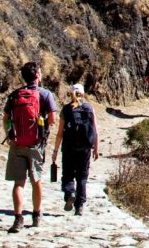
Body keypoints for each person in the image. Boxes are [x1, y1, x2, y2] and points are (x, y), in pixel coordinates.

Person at [3, 61, 59, 234]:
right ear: (38, 75)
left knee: (18, 183)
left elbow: (5, 118)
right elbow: (52, 119)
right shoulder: (45, 94)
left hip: (17, 143)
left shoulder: (14, 95)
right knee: (36, 180)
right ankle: (36, 215)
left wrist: (10, 134)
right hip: (36, 144)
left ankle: (18, 218)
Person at [51, 84, 99, 216]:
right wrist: (96, 148)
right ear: (83, 94)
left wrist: (55, 151)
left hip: (68, 147)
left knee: (67, 174)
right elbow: (95, 129)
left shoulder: (66, 109)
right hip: (85, 148)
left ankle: (70, 193)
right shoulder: (89, 108)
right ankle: (80, 206)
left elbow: (60, 133)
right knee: (82, 176)